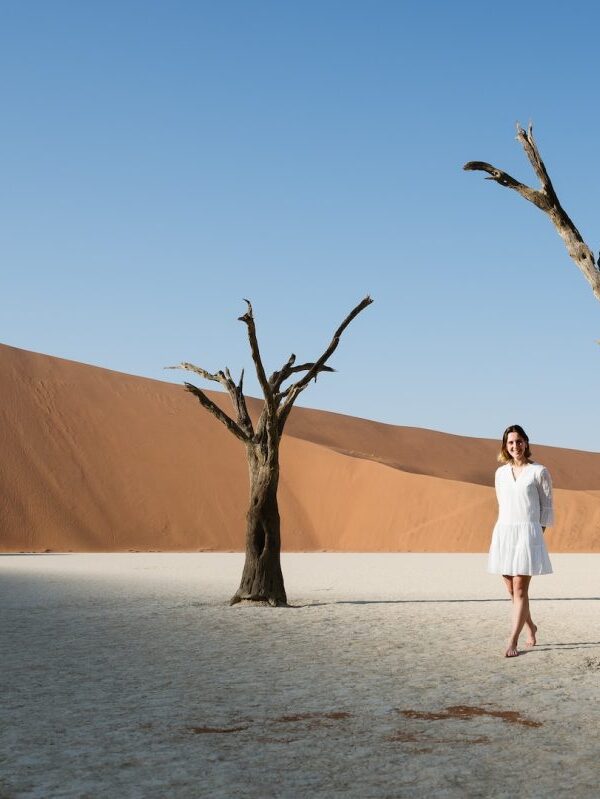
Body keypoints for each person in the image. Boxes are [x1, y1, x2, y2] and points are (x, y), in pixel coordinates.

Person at [488, 424, 554, 658]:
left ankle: (512, 640)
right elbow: (502, 504)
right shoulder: (500, 473)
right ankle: (531, 626)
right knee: (511, 589)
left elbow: (546, 509)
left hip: (528, 534)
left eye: (518, 441)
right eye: (510, 442)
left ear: (526, 443)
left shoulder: (539, 471)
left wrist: (535, 536)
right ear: (505, 446)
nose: (515, 446)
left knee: (520, 588)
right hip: (505, 532)